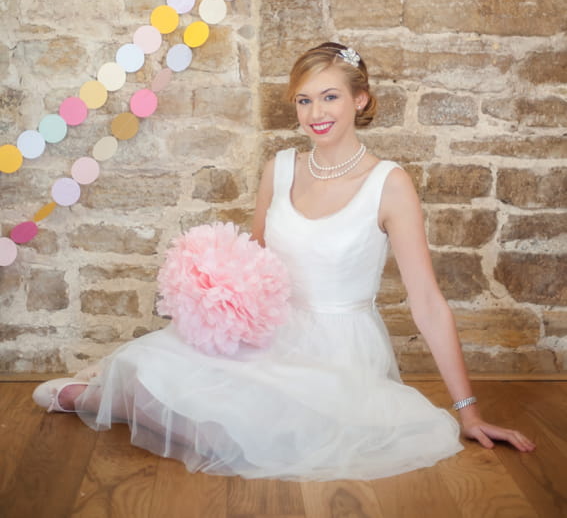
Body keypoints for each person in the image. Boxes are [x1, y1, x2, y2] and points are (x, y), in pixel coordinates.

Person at [32, 41, 535, 480]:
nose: (316, 111)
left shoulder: (390, 184)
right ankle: (113, 395)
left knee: (258, 435)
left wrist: (468, 413)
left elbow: (426, 303)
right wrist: (213, 308)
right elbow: (250, 263)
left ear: (360, 100)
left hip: (338, 349)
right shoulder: (282, 166)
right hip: (271, 331)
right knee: (158, 370)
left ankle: (114, 400)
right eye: (304, 99)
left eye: (330, 96)